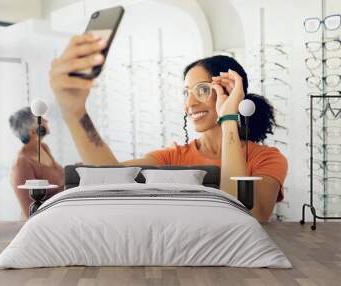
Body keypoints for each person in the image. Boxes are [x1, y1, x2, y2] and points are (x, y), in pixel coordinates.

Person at [49, 33, 287, 222]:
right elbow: (110, 176)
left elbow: (252, 214)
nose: (190, 103)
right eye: (186, 93)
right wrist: (75, 112)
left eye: (202, 90)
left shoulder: (267, 159)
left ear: (229, 92)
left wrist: (228, 118)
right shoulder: (174, 156)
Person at [9, 107, 64, 219]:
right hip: (46, 221)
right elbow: (30, 212)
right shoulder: (22, 165)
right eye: (42, 120)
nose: (47, 121)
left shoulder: (44, 148)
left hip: (60, 211)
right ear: (33, 132)